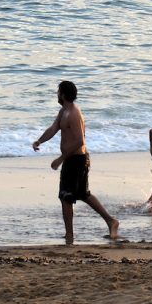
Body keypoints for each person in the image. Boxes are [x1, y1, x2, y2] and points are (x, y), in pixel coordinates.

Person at [32, 81, 118, 244]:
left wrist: (61, 159)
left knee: (66, 196)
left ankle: (70, 235)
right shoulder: (63, 111)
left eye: (58, 92)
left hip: (77, 160)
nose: (57, 95)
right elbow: (53, 128)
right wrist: (39, 141)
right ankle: (110, 221)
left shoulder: (74, 113)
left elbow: (80, 141)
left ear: (63, 95)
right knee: (81, 194)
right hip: (72, 159)